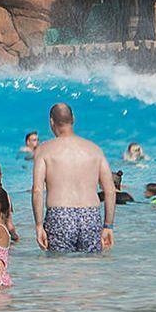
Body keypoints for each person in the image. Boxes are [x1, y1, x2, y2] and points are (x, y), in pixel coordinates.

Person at [31, 103, 115, 253]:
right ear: (73, 119)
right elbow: (110, 190)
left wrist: (38, 225)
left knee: (59, 269)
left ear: (51, 122)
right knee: (91, 269)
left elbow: (37, 190)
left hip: (59, 216)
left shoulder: (44, 150)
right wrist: (108, 225)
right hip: (90, 215)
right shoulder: (95, 149)